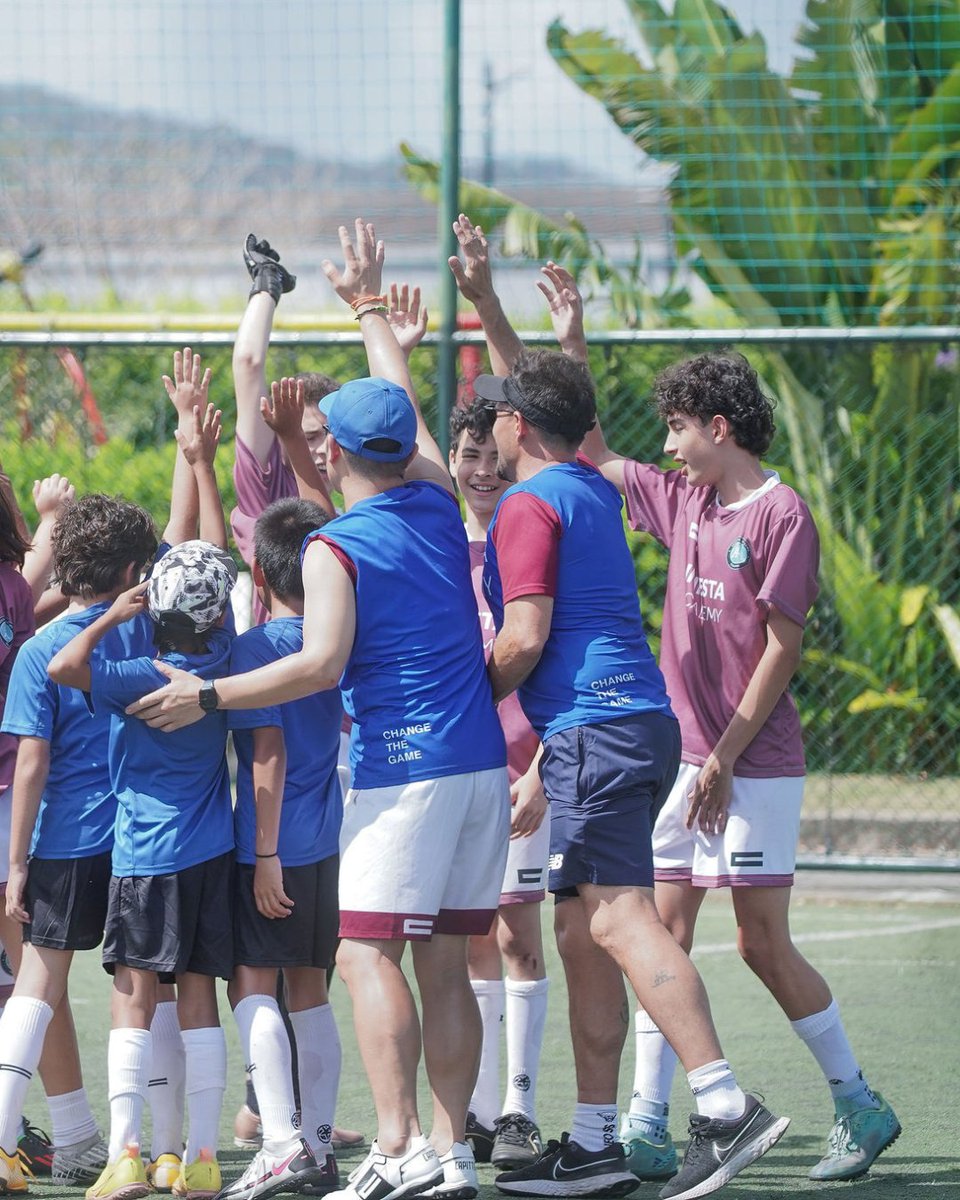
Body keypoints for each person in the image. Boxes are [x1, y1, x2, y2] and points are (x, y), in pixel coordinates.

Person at [125, 218, 511, 1200]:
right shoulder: (436, 498)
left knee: (367, 955)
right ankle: (451, 1155)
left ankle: (395, 1148)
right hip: (481, 766)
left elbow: (319, 663)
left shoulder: (337, 546)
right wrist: (370, 306)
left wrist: (208, 692)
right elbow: (404, 405)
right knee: (446, 963)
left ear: (333, 448)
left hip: (409, 770)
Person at [464, 242, 788, 1197]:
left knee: (620, 920)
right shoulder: (586, 485)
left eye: (502, 411)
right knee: (579, 933)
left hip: (598, 732)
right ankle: (595, 1142)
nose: (494, 421)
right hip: (627, 728)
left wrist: (456, 702)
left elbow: (523, 637)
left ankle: (724, 1105)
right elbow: (558, 400)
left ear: (519, 426)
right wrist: (502, 308)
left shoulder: (531, 501)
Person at [571, 337, 900, 1183]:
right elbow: (593, 452)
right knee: (661, 934)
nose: (668, 446)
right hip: (685, 758)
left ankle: (859, 1102)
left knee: (761, 943)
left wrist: (722, 756)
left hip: (754, 763)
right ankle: (648, 1123)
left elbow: (782, 650)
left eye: (678, 428)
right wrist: (570, 340)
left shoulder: (784, 516)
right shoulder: (683, 497)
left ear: (719, 427)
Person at [48, 398, 237, 1200]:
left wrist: (106, 621)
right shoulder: (227, 661)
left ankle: (126, 1152)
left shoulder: (136, 672)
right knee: (197, 1000)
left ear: (148, 601)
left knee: (132, 1000)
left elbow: (63, 667)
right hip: (213, 852)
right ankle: (197, 1157)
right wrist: (200, 462)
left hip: (144, 855)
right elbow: (215, 556)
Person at [0, 491, 159, 1197]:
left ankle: (4, 1136)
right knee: (143, 991)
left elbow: (31, 764)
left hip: (64, 840)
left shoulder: (39, 650)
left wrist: (16, 862)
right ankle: (147, 1149)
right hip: (142, 840)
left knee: (36, 985)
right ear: (133, 572)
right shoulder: (152, 631)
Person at [219, 493, 347, 1200]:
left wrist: (264, 855)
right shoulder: (337, 636)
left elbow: (266, 752)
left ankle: (279, 1146)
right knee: (310, 989)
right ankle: (318, 1148)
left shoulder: (258, 646)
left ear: (261, 577)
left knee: (250, 983)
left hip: (272, 846)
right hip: (324, 840)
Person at [449, 402, 549, 1174]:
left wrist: (543, 769)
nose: (483, 470)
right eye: (468, 455)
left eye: (493, 455)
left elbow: (560, 658)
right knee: (471, 937)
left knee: (518, 936)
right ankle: (479, 1110)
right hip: (457, 772)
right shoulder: (436, 542)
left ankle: (520, 1108)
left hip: (526, 773)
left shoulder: (532, 535)